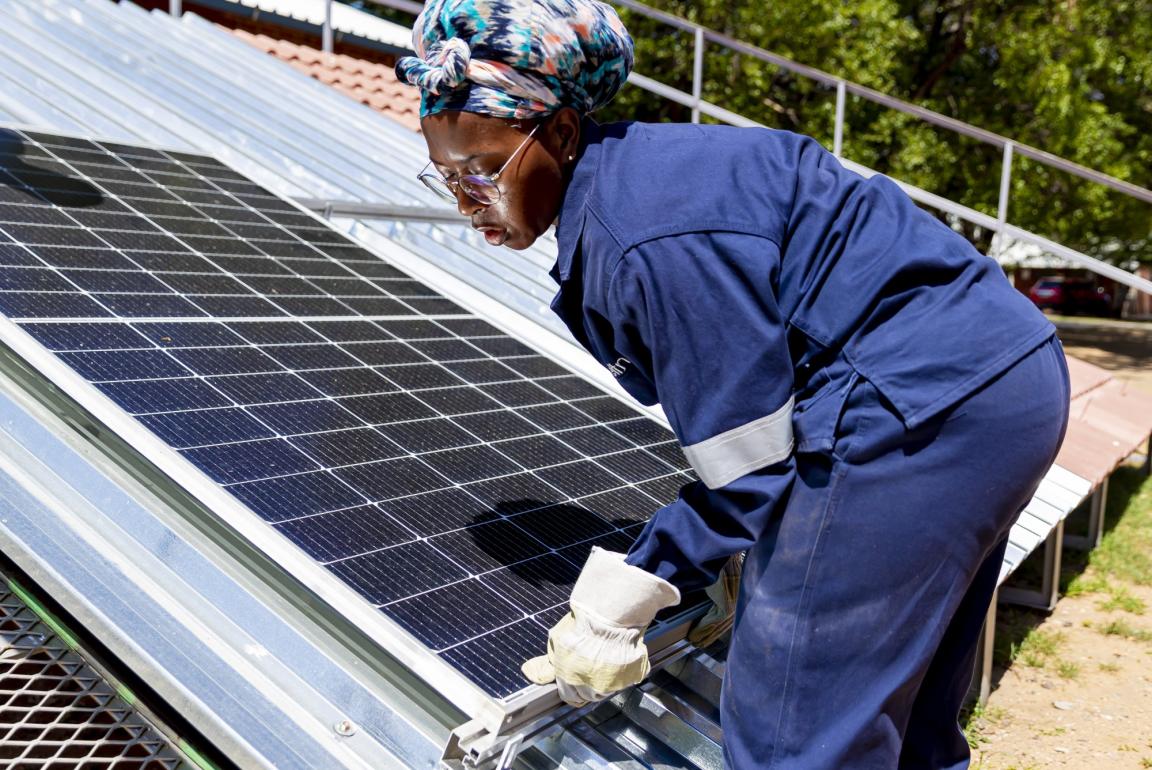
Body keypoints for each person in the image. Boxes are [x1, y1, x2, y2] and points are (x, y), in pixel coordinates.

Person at [395, 1, 1070, 767]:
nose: (466, 201)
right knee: (902, 719)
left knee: (794, 740)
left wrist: (640, 584)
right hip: (1000, 384)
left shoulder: (645, 237)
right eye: (445, 175)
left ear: (558, 133)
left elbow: (751, 462)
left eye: (484, 171)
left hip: (915, 410)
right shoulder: (652, 170)